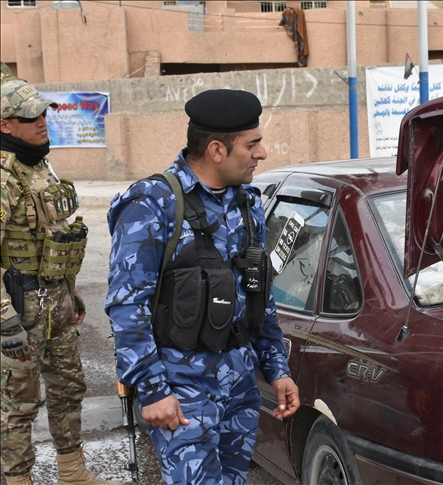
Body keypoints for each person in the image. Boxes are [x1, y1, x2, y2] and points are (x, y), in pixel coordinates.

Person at [105, 89, 300, 484]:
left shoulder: (246, 203)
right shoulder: (152, 204)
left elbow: (259, 292)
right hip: (181, 389)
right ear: (216, 150)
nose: (262, 153)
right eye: (252, 144)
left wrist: (277, 368)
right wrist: (153, 390)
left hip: (239, 385)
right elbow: (127, 306)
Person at [0, 70, 120, 485]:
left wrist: (71, 293)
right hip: (18, 308)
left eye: (43, 114)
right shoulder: (4, 175)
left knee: (68, 387)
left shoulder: (40, 166)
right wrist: (6, 321)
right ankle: (18, 479)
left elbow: (54, 237)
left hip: (56, 302)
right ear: (5, 125)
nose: (41, 122)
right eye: (30, 117)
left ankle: (71, 470)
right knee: (18, 402)